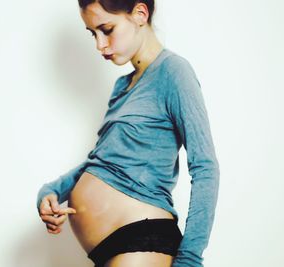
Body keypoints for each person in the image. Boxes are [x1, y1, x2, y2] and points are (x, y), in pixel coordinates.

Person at [36, 1, 220, 266]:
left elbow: (205, 168)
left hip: (142, 238)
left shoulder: (174, 72)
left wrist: (189, 259)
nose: (100, 45)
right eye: (93, 33)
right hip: (110, 249)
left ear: (140, 14)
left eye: (107, 29)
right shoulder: (122, 86)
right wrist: (52, 190)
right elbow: (102, 160)